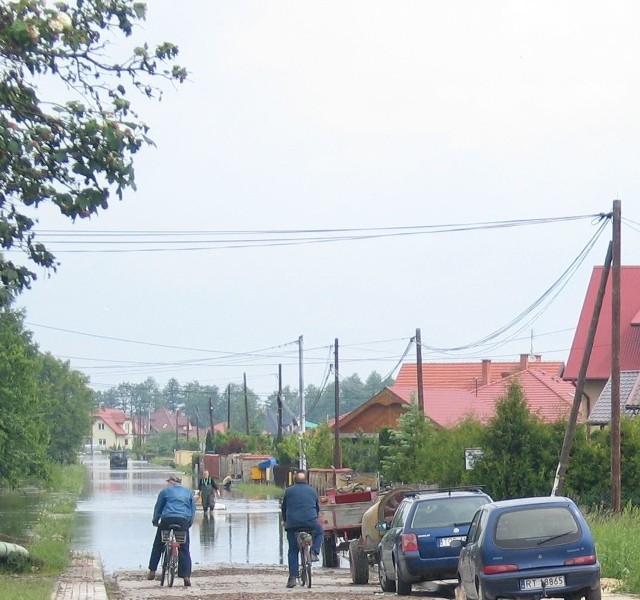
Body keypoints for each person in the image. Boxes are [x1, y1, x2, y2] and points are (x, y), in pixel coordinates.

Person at [147, 475, 196, 587]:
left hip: (167, 520)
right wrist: (188, 524)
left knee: (158, 544)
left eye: (169, 481)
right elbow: (193, 510)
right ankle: (186, 576)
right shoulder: (188, 493)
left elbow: (158, 508)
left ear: (172, 482)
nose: (168, 484)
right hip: (182, 520)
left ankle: (152, 570)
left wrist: (155, 521)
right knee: (184, 548)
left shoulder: (165, 492)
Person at [280, 470, 324, 588]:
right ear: (306, 481)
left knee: (293, 550)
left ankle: (293, 578)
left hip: (293, 525)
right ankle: (314, 552)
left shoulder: (288, 491)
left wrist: (284, 520)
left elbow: (284, 508)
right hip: (311, 524)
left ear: (294, 481)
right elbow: (317, 508)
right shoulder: (313, 491)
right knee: (320, 532)